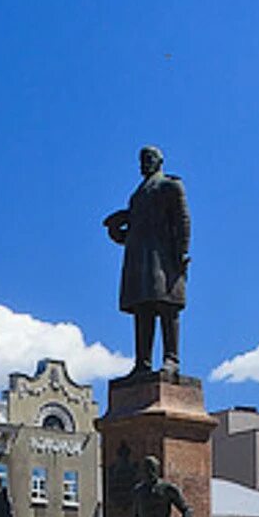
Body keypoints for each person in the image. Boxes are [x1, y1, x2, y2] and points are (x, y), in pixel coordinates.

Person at [103, 145, 191, 377]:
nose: (144, 163)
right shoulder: (137, 195)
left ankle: (171, 359)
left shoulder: (170, 186)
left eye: (149, 158)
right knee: (143, 308)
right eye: (141, 159)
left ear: (160, 161)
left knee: (166, 306)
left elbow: (183, 220)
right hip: (139, 258)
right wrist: (117, 232)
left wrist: (181, 252)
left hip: (163, 256)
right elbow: (134, 231)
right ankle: (143, 363)